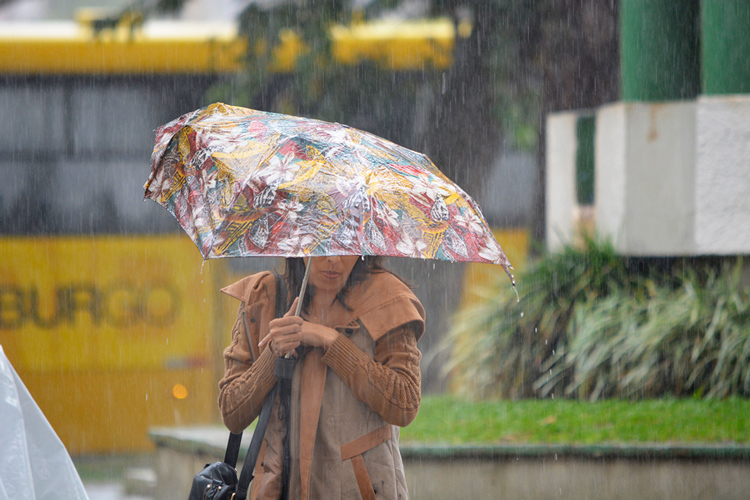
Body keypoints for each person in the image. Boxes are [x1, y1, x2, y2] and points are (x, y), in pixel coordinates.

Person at [218, 255, 425, 500]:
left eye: (344, 246)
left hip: (357, 490)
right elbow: (232, 412)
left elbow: (404, 404)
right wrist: (273, 355)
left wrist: (333, 342)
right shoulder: (265, 296)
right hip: (276, 489)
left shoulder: (387, 298)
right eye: (322, 246)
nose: (333, 259)